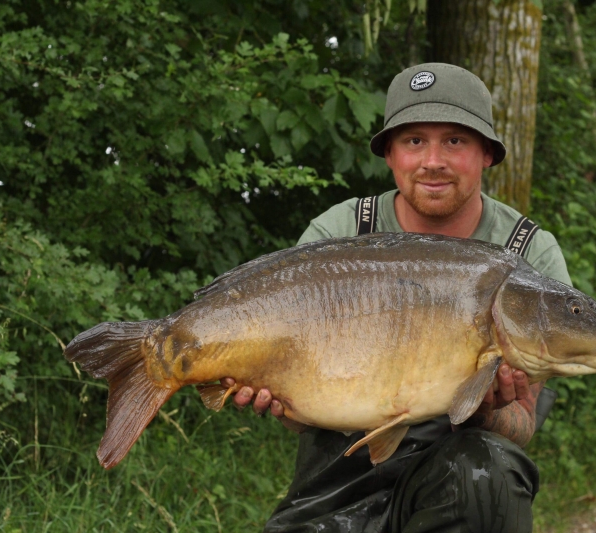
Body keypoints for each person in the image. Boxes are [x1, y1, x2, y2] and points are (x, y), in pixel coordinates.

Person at [221, 63, 572, 533]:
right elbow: (303, 419)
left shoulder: (527, 256)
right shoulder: (340, 234)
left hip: (461, 473)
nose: (433, 160)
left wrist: (488, 408)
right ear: (389, 153)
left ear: (487, 153)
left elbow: (522, 428)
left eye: (455, 140)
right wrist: (275, 398)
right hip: (337, 477)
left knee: (486, 478)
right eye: (414, 141)